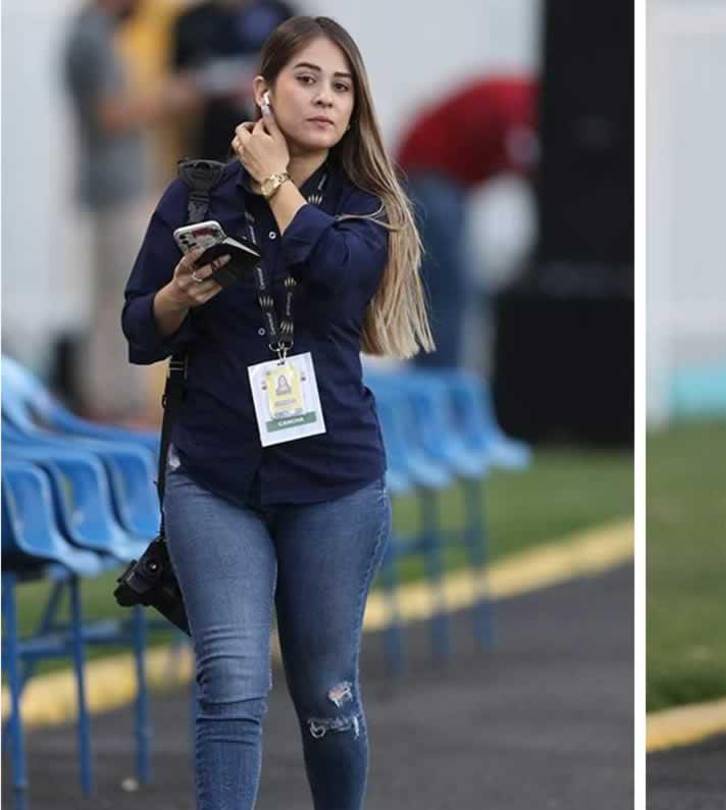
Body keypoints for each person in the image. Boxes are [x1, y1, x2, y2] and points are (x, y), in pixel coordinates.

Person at [121, 16, 432, 809]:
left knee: (326, 693)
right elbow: (136, 331)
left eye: (341, 85)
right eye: (306, 79)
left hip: (333, 481)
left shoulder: (364, 207)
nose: (325, 97)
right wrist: (173, 298)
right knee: (230, 679)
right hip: (216, 474)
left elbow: (337, 279)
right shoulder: (195, 192)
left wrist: (275, 185)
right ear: (263, 90)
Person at [63, 0, 199, 421]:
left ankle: (109, 398)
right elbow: (110, 116)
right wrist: (167, 99)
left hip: (111, 187)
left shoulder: (89, 32)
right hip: (117, 188)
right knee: (121, 298)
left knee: (107, 297)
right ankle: (116, 404)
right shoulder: (94, 35)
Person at [395, 75, 538, 368]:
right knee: (449, 282)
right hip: (428, 175)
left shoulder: (516, 96)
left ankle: (437, 368)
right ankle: (441, 373)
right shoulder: (520, 103)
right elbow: (523, 158)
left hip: (439, 179)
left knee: (442, 282)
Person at [171, 0, 297, 161]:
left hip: (271, 136)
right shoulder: (191, 21)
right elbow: (177, 88)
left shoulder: (278, 13)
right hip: (211, 141)